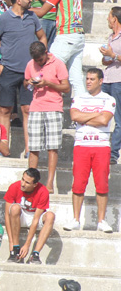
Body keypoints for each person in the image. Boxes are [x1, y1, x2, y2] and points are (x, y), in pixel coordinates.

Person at [0, 0, 46, 158]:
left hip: (29, 72)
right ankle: (4, 149)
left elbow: (42, 37)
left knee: (27, 109)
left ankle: (28, 150)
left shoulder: (32, 16)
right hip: (8, 70)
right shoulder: (3, 19)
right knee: (4, 109)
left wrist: (41, 58)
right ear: (18, 0)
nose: (31, 0)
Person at [64, 69, 116, 233]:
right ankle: (75, 219)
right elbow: (74, 117)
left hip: (101, 145)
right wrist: (94, 114)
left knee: (101, 184)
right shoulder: (78, 98)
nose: (88, 82)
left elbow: (104, 120)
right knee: (78, 183)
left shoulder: (108, 99)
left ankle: (101, 221)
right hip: (81, 144)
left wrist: (84, 116)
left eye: (92, 79)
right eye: (87, 78)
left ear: (101, 81)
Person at [30, 0, 85, 98]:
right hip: (78, 36)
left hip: (66, 35)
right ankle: (80, 111)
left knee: (49, 68)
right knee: (76, 79)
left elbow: (42, 12)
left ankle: (47, 102)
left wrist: (22, 8)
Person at [24, 41, 70, 192]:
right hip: (36, 107)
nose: (38, 62)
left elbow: (66, 87)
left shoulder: (58, 64)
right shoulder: (30, 64)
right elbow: (25, 82)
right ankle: (30, 181)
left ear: (46, 53)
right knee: (34, 147)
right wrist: (29, 82)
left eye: (40, 59)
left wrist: (48, 83)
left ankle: (49, 183)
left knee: (52, 147)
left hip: (54, 107)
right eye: (36, 60)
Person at [4, 168, 55, 264]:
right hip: (20, 216)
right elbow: (7, 215)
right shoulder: (14, 187)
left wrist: (27, 244)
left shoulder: (43, 191)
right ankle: (15, 249)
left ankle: (35, 254)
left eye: (27, 182)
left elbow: (35, 220)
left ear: (35, 184)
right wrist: (10, 242)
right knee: (14, 208)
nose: (22, 184)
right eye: (22, 179)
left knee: (50, 216)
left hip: (35, 216)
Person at [101, 6, 121, 164]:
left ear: (115, 18)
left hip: (118, 80)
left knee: (118, 119)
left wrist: (112, 55)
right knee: (102, 115)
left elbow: (115, 56)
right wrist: (106, 57)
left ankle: (113, 153)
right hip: (107, 79)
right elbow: (108, 60)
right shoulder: (110, 36)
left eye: (109, 16)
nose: (107, 19)